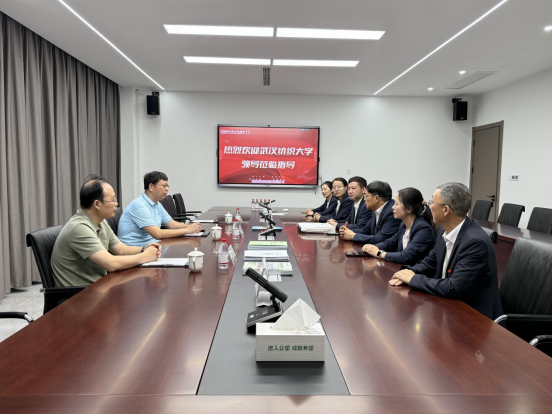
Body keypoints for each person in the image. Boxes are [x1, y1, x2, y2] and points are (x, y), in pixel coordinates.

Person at [389, 182, 503, 320]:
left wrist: (413, 279)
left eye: (432, 202)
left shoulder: (475, 242)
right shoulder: (445, 231)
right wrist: (409, 272)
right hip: (448, 306)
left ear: (445, 210)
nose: (428, 206)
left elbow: (453, 287)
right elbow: (429, 262)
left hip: (474, 317)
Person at [51, 176, 160, 287]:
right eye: (113, 200)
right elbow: (111, 264)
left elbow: (122, 250)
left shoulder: (100, 221)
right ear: (97, 204)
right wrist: (145, 256)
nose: (116, 204)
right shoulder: (79, 228)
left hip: (100, 286)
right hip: (80, 293)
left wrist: (144, 249)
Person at [118, 171, 201, 246]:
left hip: (152, 245)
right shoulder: (139, 205)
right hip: (135, 250)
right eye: (164, 186)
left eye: (167, 186)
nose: (167, 189)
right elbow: (157, 234)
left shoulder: (157, 204)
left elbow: (172, 224)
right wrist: (188, 230)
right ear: (151, 187)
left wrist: (189, 227)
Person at [361, 187, 436, 265]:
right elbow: (389, 243)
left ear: (409, 209)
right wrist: (370, 247)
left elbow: (406, 256)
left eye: (396, 204)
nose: (392, 207)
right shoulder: (404, 225)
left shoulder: (423, 229)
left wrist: (379, 253)